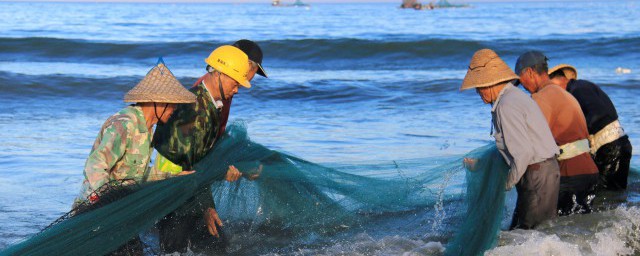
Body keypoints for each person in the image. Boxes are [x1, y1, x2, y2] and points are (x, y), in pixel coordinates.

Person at [73, 61, 196, 255]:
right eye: (172, 103)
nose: (175, 109)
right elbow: (95, 165)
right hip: (95, 213)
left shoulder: (147, 130)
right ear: (158, 102)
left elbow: (136, 175)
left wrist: (172, 178)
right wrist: (106, 202)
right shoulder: (125, 124)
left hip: (120, 213)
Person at [152, 44, 265, 253]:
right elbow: (189, 164)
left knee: (212, 246)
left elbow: (203, 156)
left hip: (189, 189)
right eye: (235, 82)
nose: (237, 89)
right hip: (173, 192)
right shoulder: (193, 108)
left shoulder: (212, 105)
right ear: (219, 74)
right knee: (175, 249)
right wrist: (207, 207)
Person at [460, 49, 560, 229]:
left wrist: (505, 184)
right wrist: (481, 165)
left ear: (489, 83)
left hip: (537, 174)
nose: (477, 93)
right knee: (528, 234)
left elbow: (523, 153)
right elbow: (512, 149)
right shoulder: (512, 97)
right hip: (542, 172)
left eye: (478, 87)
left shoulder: (506, 105)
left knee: (528, 236)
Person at [515, 51, 599, 215]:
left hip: (571, 174)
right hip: (589, 171)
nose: (523, 87)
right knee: (580, 230)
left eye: (521, 80)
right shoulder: (564, 93)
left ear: (530, 73)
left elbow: (532, 140)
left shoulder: (541, 97)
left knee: (557, 230)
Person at [549, 64, 632, 190]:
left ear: (560, 80)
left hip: (610, 148)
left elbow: (596, 115)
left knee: (605, 195)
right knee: (615, 193)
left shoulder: (577, 90)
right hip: (618, 143)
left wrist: (579, 133)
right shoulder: (583, 86)